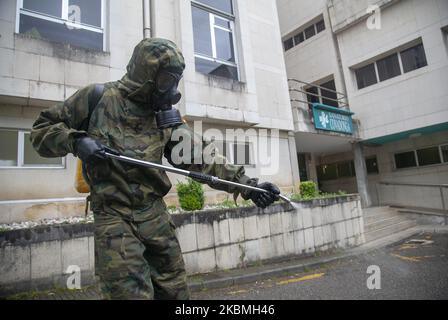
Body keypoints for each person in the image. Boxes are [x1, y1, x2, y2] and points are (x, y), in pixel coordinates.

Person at [31, 38, 280, 300]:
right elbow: (41, 131)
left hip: (155, 217)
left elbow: (204, 158)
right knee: (128, 294)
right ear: (145, 73)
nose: (170, 89)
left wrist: (250, 186)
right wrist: (76, 141)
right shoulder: (97, 98)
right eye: (165, 81)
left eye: (175, 81)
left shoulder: (164, 117)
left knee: (174, 290)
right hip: (114, 218)